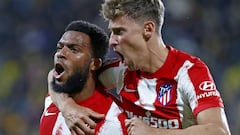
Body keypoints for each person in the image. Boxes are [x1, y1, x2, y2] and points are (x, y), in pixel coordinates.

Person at [49, 0, 232, 135]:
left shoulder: (189, 71)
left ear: (148, 29)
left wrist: (154, 133)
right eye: (111, 32)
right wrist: (67, 107)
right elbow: (60, 74)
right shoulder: (119, 71)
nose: (112, 41)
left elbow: (219, 131)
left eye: (119, 32)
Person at [39, 20, 128, 135]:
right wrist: (66, 106)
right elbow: (52, 76)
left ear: (94, 64)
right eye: (59, 47)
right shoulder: (55, 97)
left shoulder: (113, 123)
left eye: (73, 49)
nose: (60, 54)